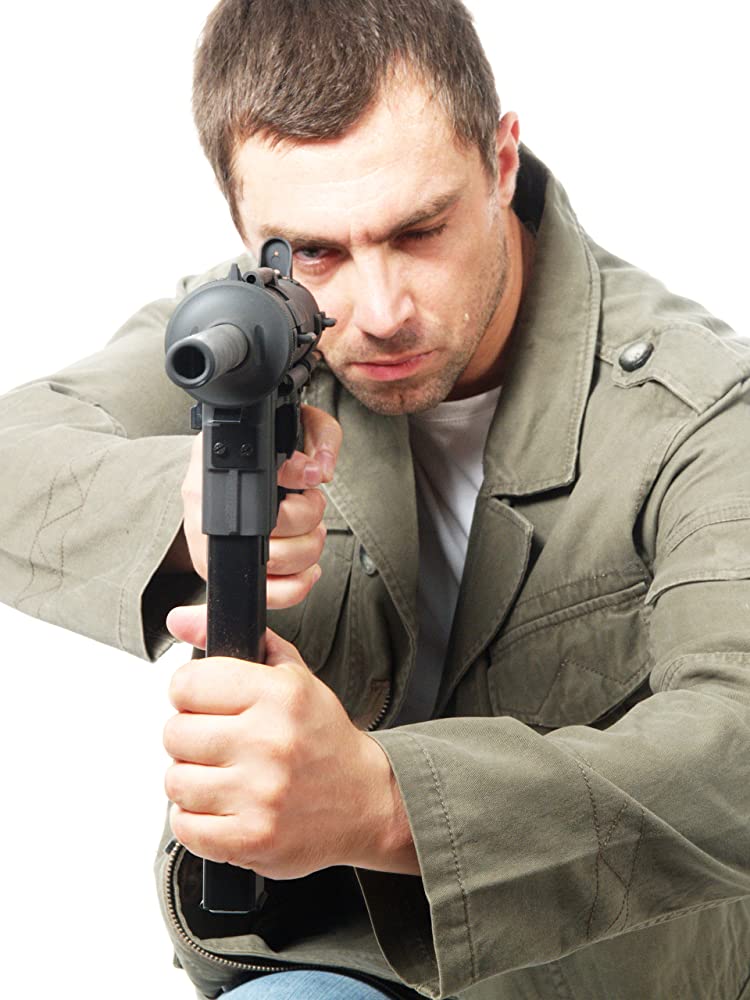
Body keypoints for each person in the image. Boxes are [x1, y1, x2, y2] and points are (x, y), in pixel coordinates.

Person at [1, 1, 749, 998]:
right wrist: (185, 512)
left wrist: (385, 805)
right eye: (316, 252)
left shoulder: (703, 411)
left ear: (502, 161)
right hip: (319, 960)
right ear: (246, 229)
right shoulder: (248, 330)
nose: (383, 310)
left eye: (420, 230)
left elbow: (737, 750)